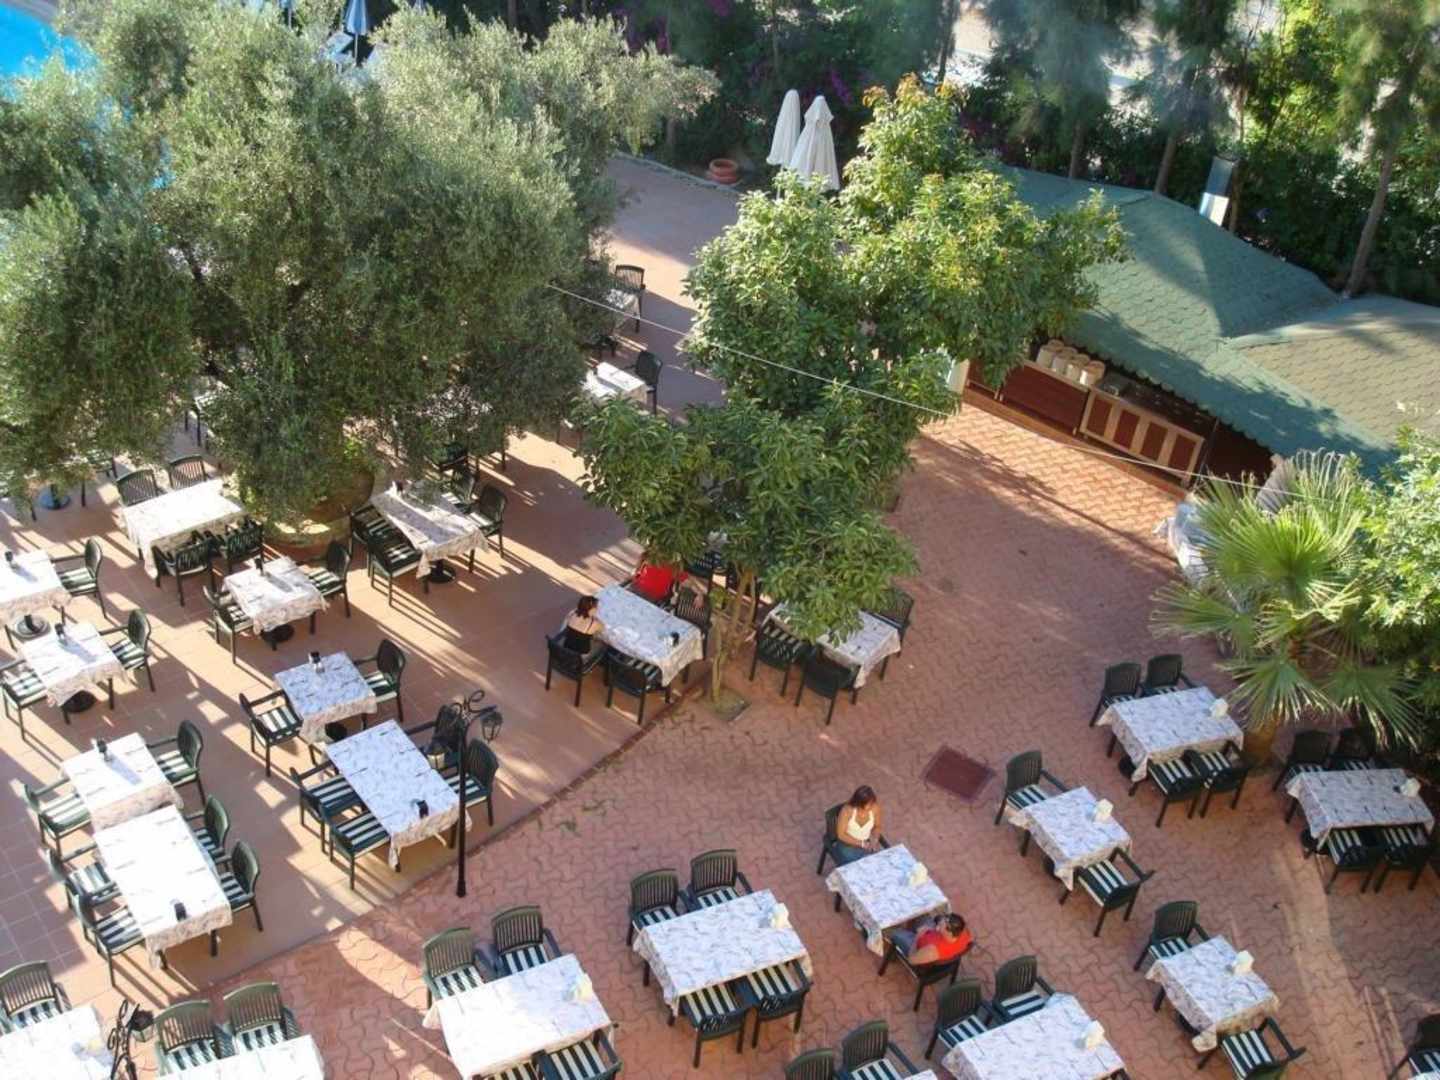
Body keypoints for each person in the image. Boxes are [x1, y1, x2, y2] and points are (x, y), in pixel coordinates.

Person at [887, 913, 972, 967]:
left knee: (891, 931)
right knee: (920, 912)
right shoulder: (963, 931)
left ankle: (894, 946)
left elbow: (911, 960)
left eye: (942, 925)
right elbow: (970, 940)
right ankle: (908, 928)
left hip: (917, 948)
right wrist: (936, 928)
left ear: (949, 932)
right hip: (929, 933)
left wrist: (918, 937)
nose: (940, 922)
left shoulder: (932, 951)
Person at [832, 786, 883, 866]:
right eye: (869, 804)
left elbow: (877, 826)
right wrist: (861, 844)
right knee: (860, 864)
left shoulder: (875, 808)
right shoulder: (847, 811)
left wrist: (875, 839)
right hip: (848, 845)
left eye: (872, 803)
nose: (872, 806)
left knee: (877, 862)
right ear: (859, 804)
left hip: (866, 841)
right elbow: (841, 835)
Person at [560, 596, 606, 660]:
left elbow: (562, 629)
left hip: (566, 648)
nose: (597, 609)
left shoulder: (572, 614)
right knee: (602, 645)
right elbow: (603, 629)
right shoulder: (595, 623)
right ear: (591, 609)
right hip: (581, 656)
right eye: (596, 607)